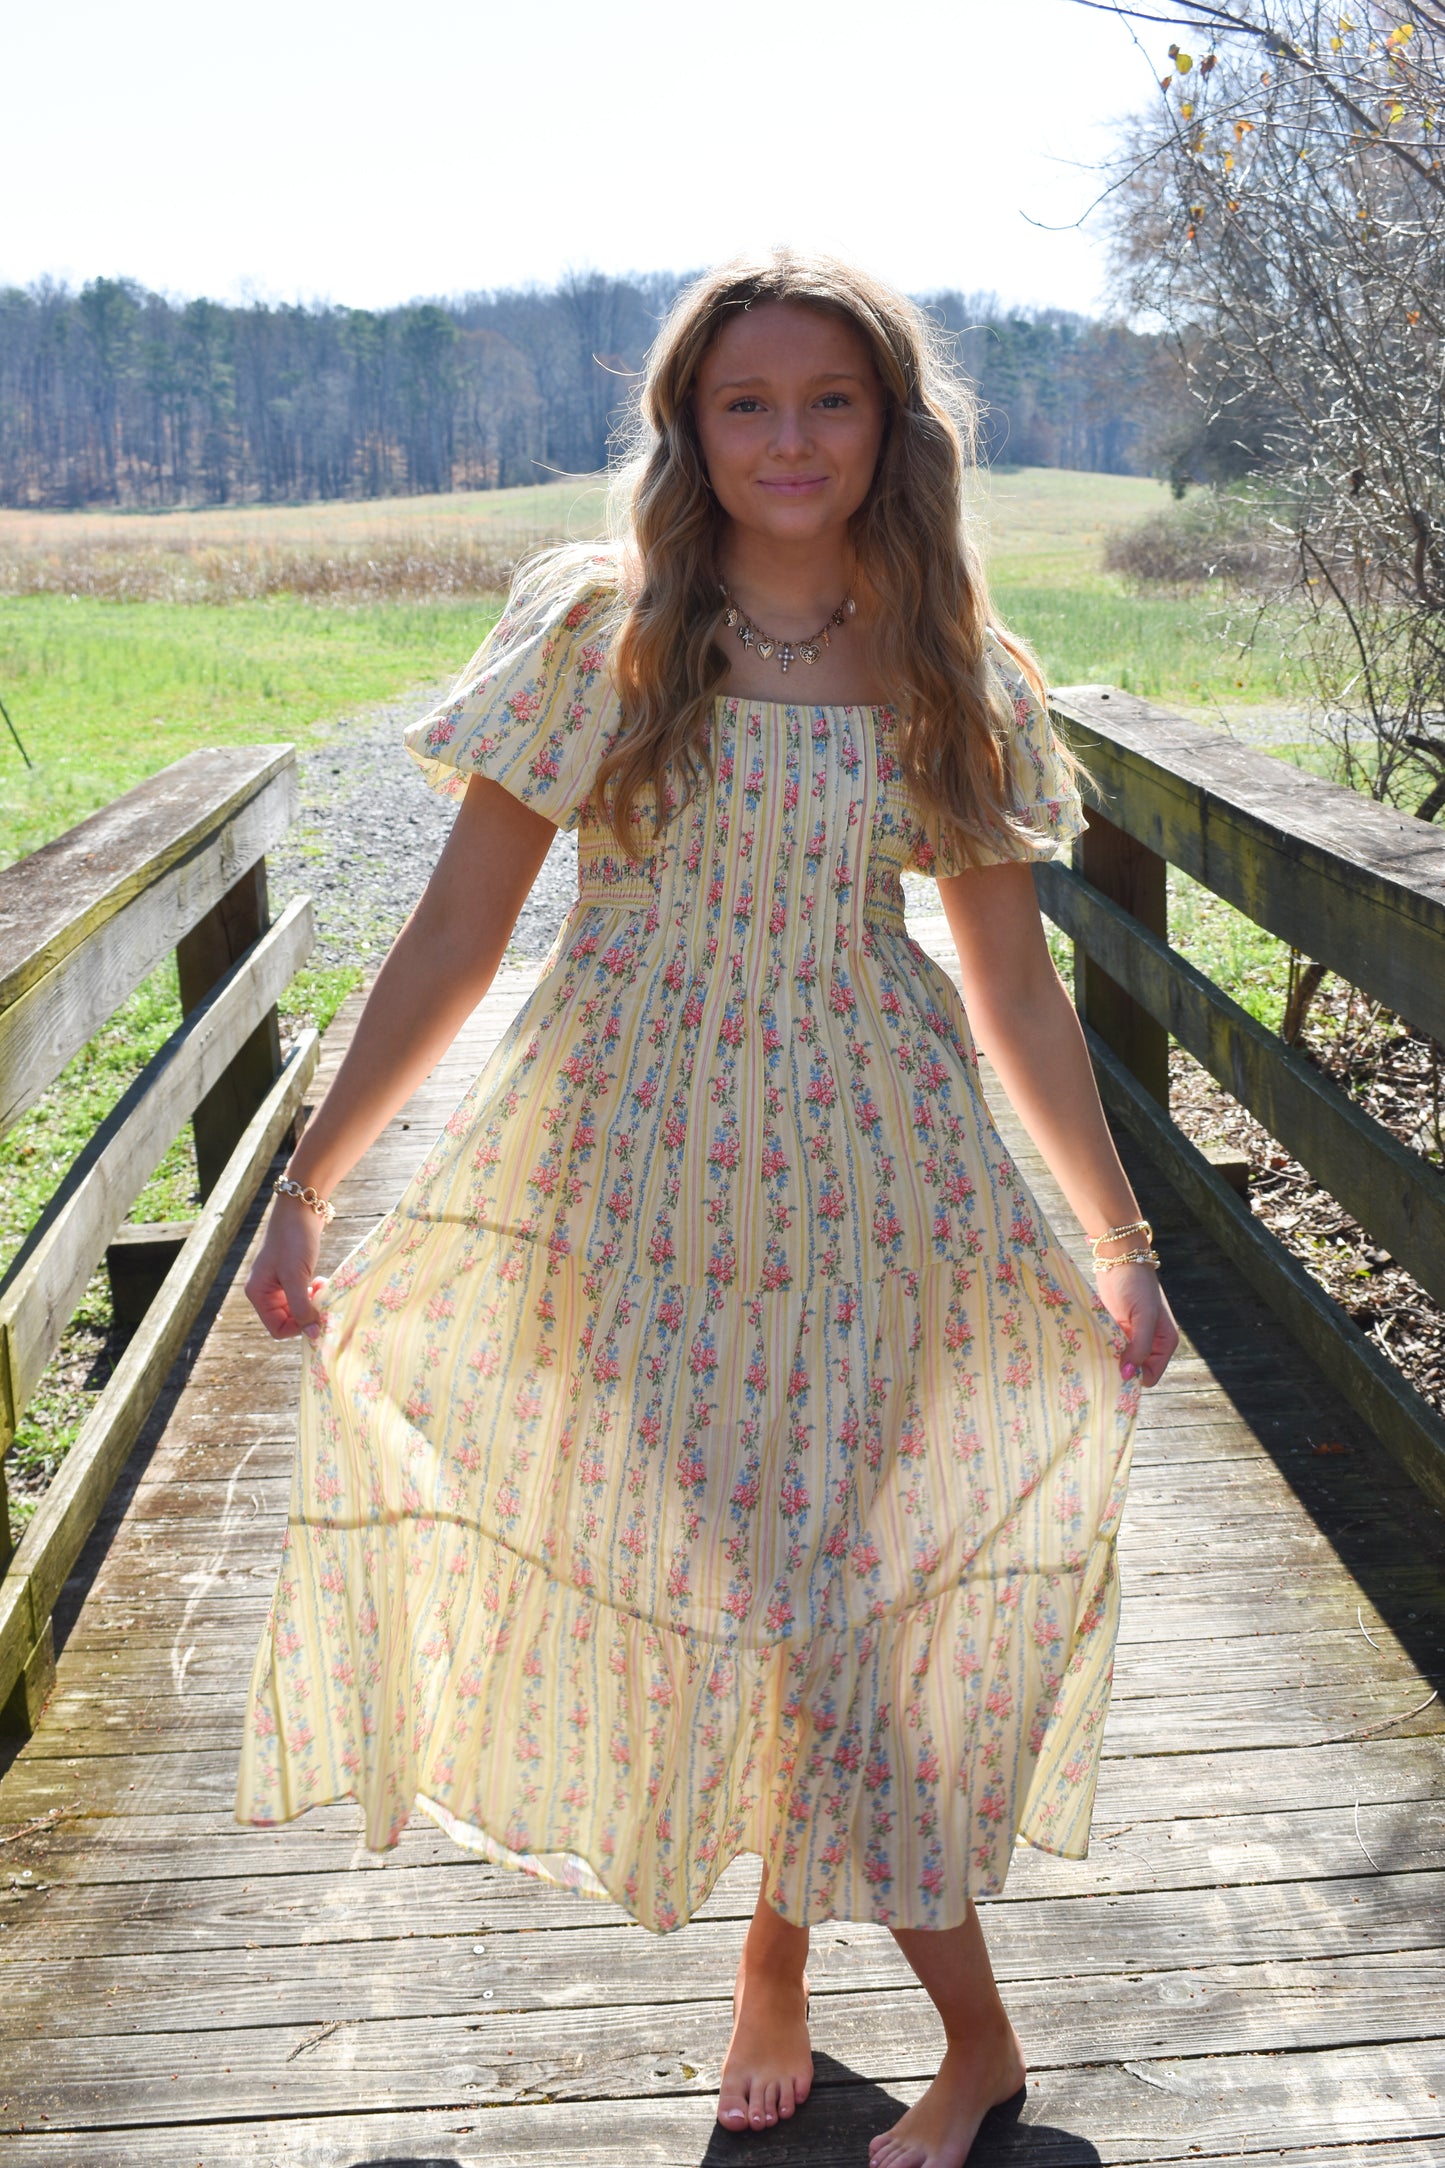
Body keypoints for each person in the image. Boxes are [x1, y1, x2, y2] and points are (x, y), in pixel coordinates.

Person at [238, 248, 1178, 2168]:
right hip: (631, 1191)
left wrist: (1119, 1240)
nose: (788, 439)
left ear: (889, 428)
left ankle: (971, 2046)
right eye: (744, 403)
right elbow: (455, 930)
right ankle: (776, 1968)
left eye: (828, 400)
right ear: (688, 428)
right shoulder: (608, 632)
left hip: (876, 1189)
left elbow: (1007, 991)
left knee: (828, 1609)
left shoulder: (949, 662)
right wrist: (310, 1183)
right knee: (756, 1595)